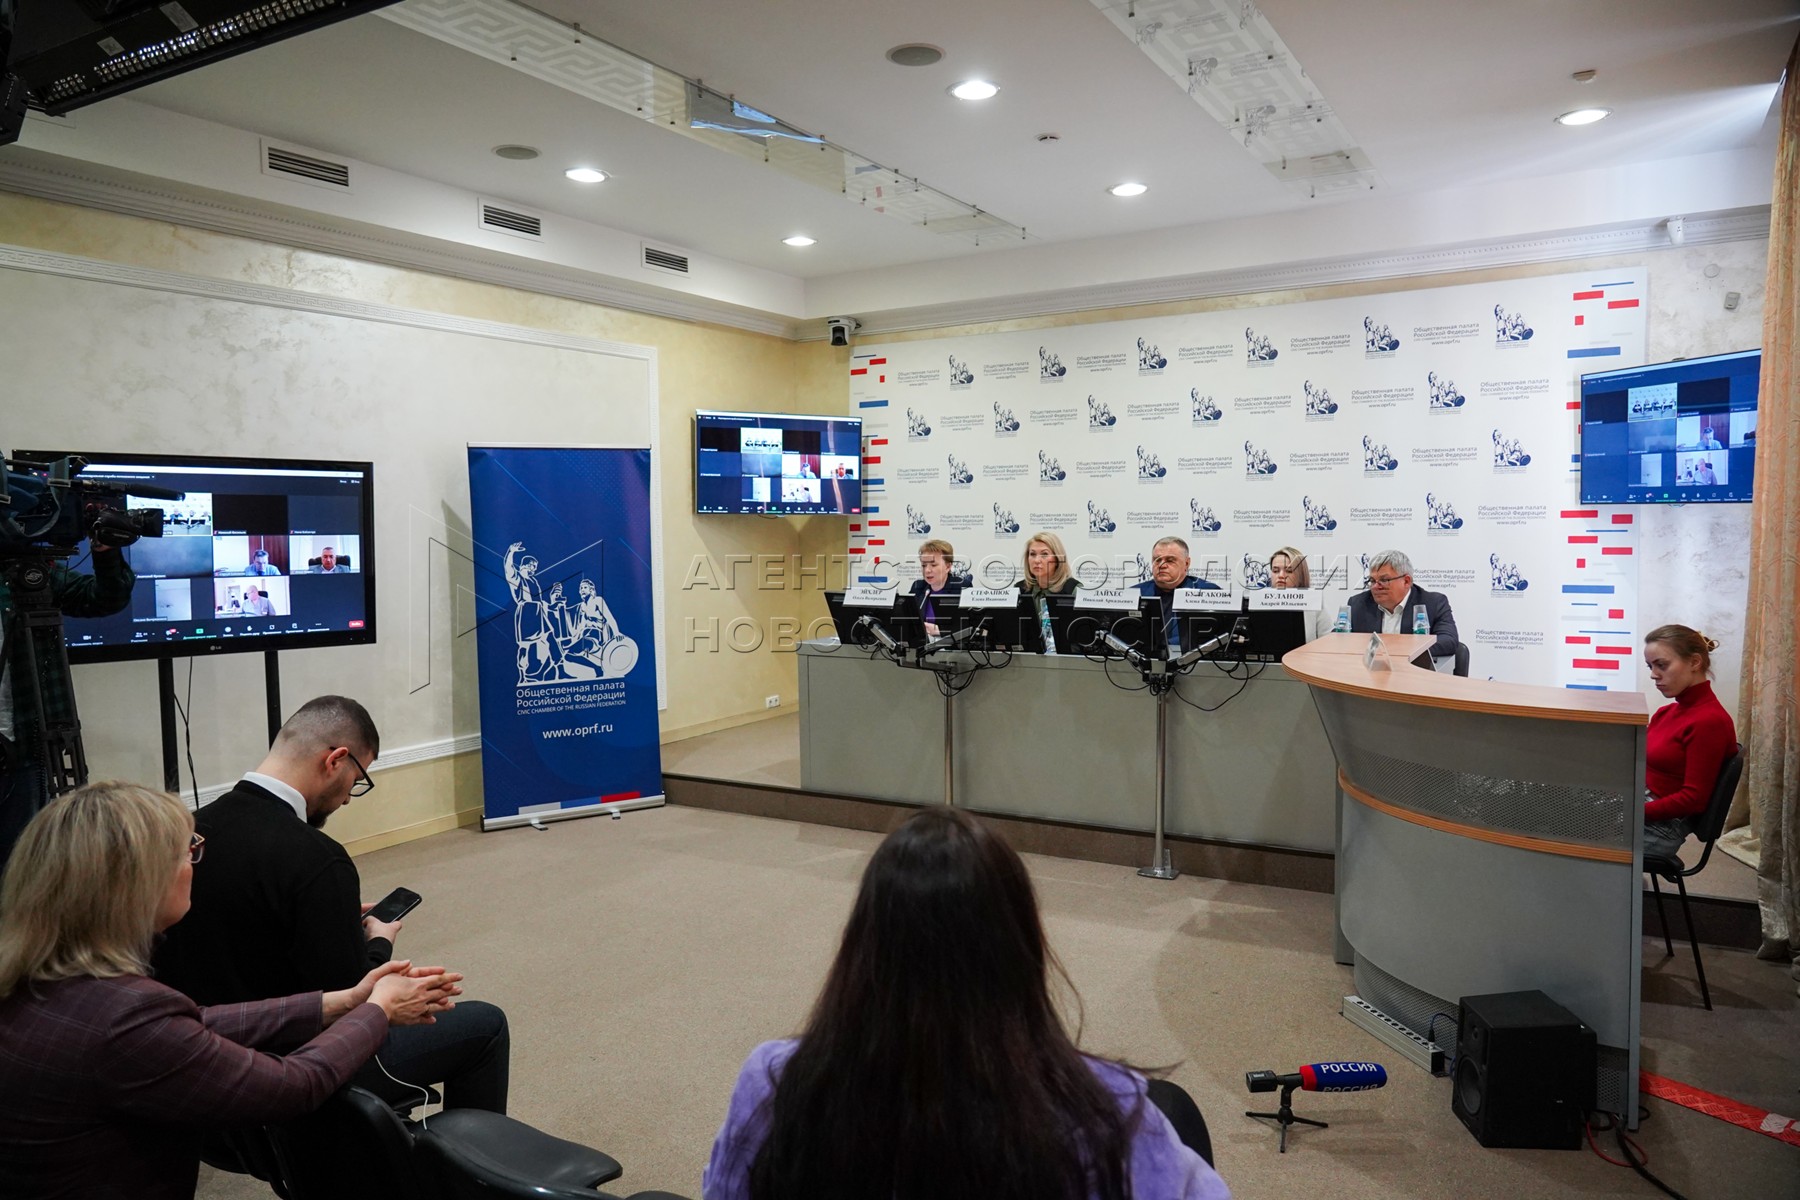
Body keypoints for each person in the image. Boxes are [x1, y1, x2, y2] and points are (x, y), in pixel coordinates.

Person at [702, 808, 1227, 1200]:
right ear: (1021, 947)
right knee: (1174, 1106)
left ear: (862, 945)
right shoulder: (1107, 1113)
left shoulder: (775, 1084)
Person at [0, 781, 460, 1200]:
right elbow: (293, 1085)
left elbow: (194, 1023)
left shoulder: (39, 977)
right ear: (139, 883)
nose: (194, 862)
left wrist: (340, 1003)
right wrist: (377, 1010)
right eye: (188, 851)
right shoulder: (125, 1015)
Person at [152, 695, 512, 1114]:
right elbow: (356, 1004)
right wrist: (378, 941)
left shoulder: (187, 834)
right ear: (336, 760)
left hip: (199, 1059)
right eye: (358, 779)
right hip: (296, 1068)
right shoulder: (318, 859)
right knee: (486, 1024)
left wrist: (332, 918)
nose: (347, 799)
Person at [0, 538, 134, 870]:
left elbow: (105, 597)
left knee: (21, 864)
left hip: (21, 745)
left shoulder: (22, 574)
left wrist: (105, 550)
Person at [1641, 625, 1736, 860]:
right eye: (1651, 666)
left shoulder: (1709, 722)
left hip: (1661, 826)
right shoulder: (1666, 713)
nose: (1654, 674)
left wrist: (1634, 810)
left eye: (1662, 665)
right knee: (1564, 808)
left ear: (1695, 662)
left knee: (1570, 830)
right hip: (1646, 807)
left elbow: (1693, 799)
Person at [1346, 549, 1458, 664]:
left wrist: (1398, 649)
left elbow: (1449, 641)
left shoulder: (1433, 603)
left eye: (1384, 580)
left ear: (1406, 581)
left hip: (1413, 672)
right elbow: (1341, 640)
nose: (1375, 587)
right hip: (1369, 672)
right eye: (1372, 580)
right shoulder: (1358, 604)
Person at [1135, 536, 1222, 653]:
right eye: (1157, 560)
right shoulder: (1135, 594)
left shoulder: (1209, 593)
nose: (1161, 565)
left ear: (1186, 563)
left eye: (1170, 560)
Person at [1016, 532, 1078, 653]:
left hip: (1067, 660)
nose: (1037, 560)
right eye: (1032, 554)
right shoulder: (1020, 590)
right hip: (1028, 659)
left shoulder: (1072, 589)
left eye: (1044, 554)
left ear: (1057, 559)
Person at [908, 539, 965, 638]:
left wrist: (939, 631)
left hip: (950, 645)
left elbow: (968, 627)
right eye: (924, 565)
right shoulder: (918, 587)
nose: (927, 570)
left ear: (948, 567)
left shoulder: (960, 587)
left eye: (933, 565)